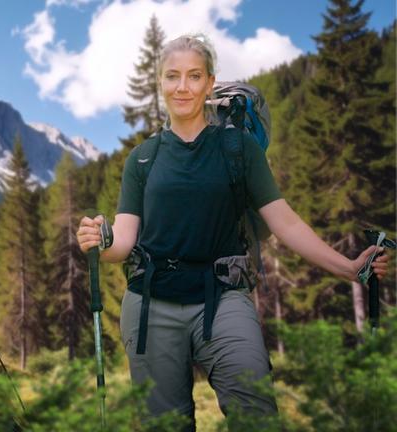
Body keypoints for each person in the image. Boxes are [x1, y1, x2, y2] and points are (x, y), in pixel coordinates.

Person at [75, 33, 390, 429]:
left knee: (256, 414)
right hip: (150, 305)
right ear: (161, 82)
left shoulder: (239, 149)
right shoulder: (142, 158)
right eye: (173, 76)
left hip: (223, 298)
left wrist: (348, 268)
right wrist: (100, 240)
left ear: (210, 83)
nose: (183, 86)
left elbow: (285, 221)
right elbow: (122, 242)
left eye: (194, 76)